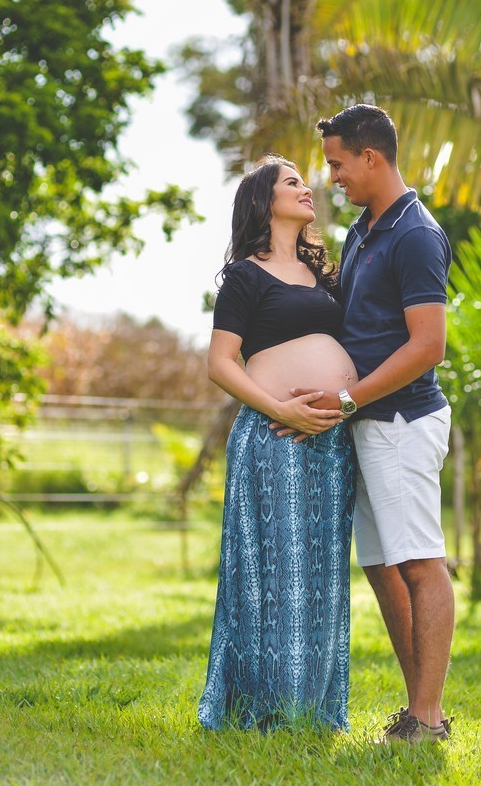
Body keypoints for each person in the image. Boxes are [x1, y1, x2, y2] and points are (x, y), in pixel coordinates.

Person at [276, 104, 455, 743]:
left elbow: (427, 344)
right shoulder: (365, 229)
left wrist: (348, 399)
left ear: (370, 157)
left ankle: (429, 721)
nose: (333, 178)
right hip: (367, 426)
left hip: (402, 422)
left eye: (337, 163)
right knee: (383, 567)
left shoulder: (415, 234)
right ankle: (418, 709)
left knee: (420, 563)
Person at [197, 155, 358, 733]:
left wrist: (340, 404)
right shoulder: (245, 275)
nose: (307, 186)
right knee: (269, 573)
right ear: (264, 201)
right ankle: (262, 709)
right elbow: (220, 363)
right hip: (272, 438)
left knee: (321, 576)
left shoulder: (327, 275)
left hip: (330, 445)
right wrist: (281, 407)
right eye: (292, 181)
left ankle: (313, 711)